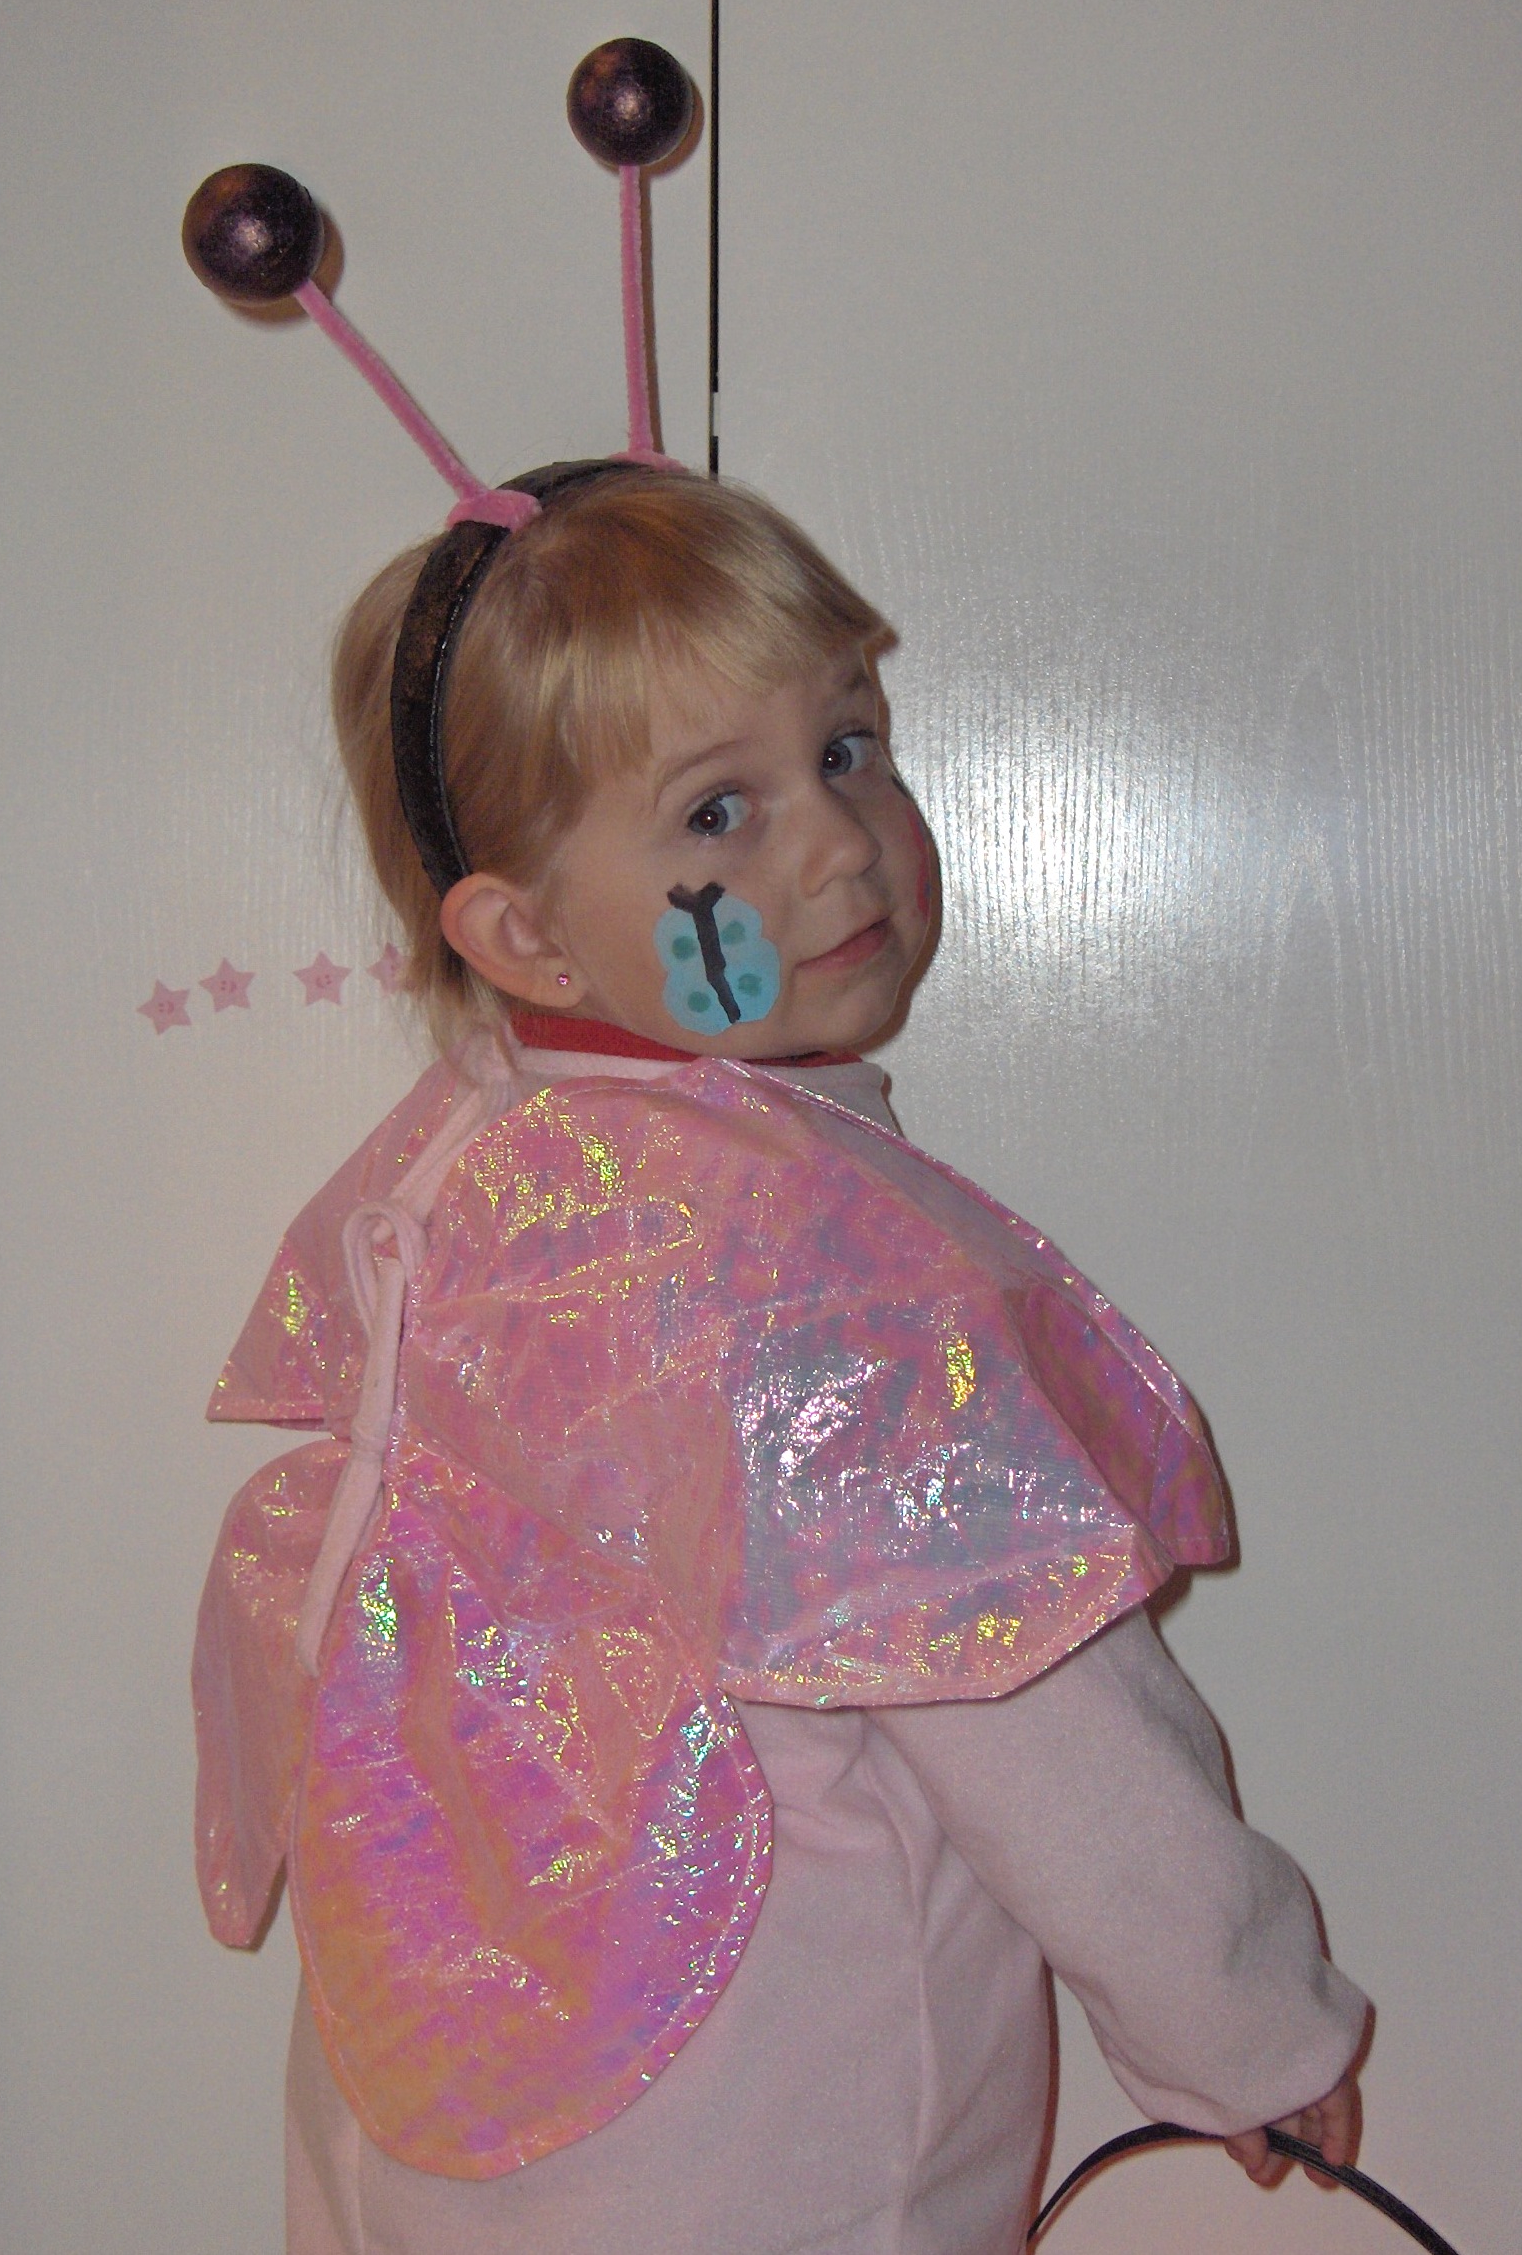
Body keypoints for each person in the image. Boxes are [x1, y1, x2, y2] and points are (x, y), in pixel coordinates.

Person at [193, 464, 1367, 2255]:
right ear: (523, 932)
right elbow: (1036, 1711)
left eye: (848, 747)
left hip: (429, 2111)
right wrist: (1244, 2029)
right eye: (718, 812)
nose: (836, 843)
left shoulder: (454, 1170)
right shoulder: (805, 1267)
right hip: (759, 2134)